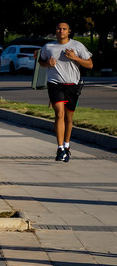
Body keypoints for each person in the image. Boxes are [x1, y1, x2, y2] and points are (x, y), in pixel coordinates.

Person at [40, 20, 93, 162]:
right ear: (55, 31)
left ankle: (66, 145)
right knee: (59, 114)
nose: (61, 31)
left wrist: (75, 57)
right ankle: (60, 149)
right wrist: (47, 63)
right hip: (55, 83)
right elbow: (41, 61)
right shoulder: (48, 47)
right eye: (58, 29)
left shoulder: (77, 46)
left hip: (73, 85)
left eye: (64, 29)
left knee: (68, 118)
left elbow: (90, 64)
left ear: (69, 31)